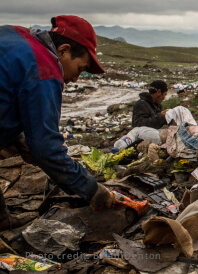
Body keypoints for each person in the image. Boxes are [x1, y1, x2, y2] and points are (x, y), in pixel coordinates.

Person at [0, 15, 118, 230]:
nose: (76, 79)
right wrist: (92, 190)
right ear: (63, 50)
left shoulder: (12, 33)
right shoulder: (45, 71)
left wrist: (17, 138)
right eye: (80, 69)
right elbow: (46, 148)